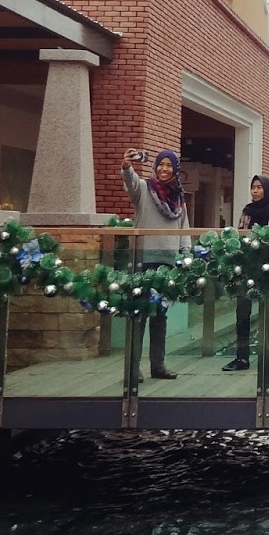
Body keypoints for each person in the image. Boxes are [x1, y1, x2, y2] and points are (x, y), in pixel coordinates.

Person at [120, 148, 189, 379]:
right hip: (143, 260)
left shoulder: (179, 197)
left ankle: (158, 366)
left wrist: (185, 254)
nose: (164, 169)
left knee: (160, 316)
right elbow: (131, 183)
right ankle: (132, 369)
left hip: (167, 263)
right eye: (161, 164)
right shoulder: (144, 188)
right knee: (139, 315)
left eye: (169, 165)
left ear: (175, 169)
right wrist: (127, 167)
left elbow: (184, 228)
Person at [226, 175, 269, 372]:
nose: (256, 191)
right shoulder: (247, 211)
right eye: (253, 187)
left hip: (268, 270)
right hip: (246, 268)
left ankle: (268, 350)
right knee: (242, 312)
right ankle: (241, 356)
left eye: (259, 187)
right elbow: (240, 236)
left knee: (266, 312)